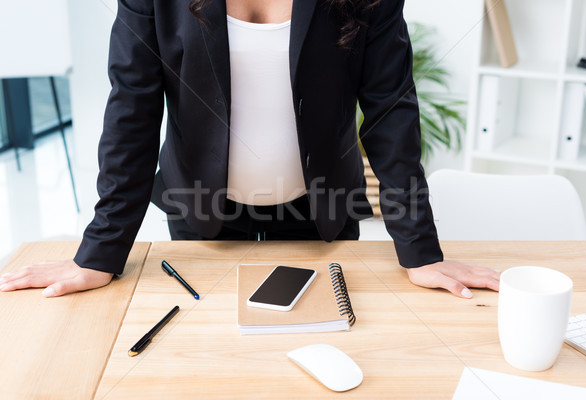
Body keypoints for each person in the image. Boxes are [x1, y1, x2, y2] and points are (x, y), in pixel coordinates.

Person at [0, 0, 499, 298]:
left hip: (324, 209)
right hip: (201, 212)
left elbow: (391, 112)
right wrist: (100, 253)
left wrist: (420, 252)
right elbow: (132, 111)